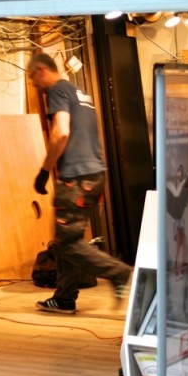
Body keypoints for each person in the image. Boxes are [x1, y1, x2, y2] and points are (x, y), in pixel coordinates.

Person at [27, 52, 132, 314]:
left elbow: (61, 131)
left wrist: (44, 170)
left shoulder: (57, 91)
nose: (33, 85)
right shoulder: (80, 93)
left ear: (41, 70)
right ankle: (64, 298)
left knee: (66, 243)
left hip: (76, 178)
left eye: (32, 78)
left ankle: (118, 272)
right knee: (68, 237)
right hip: (94, 175)